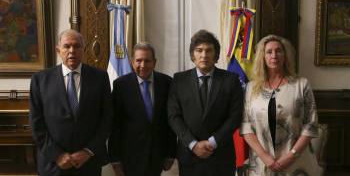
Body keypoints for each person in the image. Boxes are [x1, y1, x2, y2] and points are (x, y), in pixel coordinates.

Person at [29, 29, 113, 176]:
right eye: (67, 46)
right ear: (58, 50)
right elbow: (36, 123)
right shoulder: (40, 80)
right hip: (53, 165)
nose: (72, 51)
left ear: (84, 49)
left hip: (88, 164)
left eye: (77, 46)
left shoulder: (100, 78)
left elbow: (106, 119)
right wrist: (57, 155)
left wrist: (88, 151)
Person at [241, 34, 322, 175]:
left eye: (279, 51)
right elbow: (246, 126)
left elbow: (311, 125)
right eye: (269, 51)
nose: (274, 55)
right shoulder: (250, 88)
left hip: (297, 163)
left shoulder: (301, 85)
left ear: (285, 55)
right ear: (262, 56)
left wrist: (291, 155)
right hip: (261, 164)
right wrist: (265, 157)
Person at [167, 29, 243, 176]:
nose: (204, 55)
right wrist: (193, 144)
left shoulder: (231, 80)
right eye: (199, 50)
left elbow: (235, 116)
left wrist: (213, 142)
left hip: (221, 157)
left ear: (216, 55)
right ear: (192, 55)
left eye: (209, 50)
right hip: (189, 157)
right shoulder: (179, 80)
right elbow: (173, 116)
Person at [108, 42, 177, 176]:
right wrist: (115, 160)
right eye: (138, 60)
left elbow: (170, 122)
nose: (143, 65)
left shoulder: (167, 83)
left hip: (158, 156)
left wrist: (170, 154)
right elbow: (115, 125)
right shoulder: (120, 86)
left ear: (154, 62)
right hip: (130, 157)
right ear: (132, 61)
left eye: (147, 61)